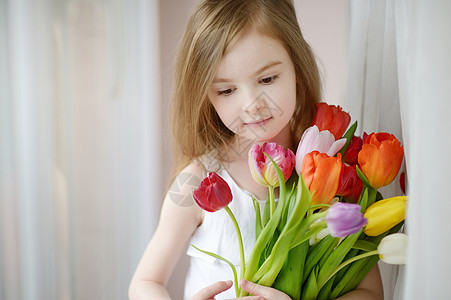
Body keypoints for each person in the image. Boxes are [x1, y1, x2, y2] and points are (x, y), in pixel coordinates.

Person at [129, 0, 384, 299]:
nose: (252, 104)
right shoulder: (195, 182)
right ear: (206, 96)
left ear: (297, 68)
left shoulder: (332, 174)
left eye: (267, 79)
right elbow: (145, 283)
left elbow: (371, 292)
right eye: (226, 90)